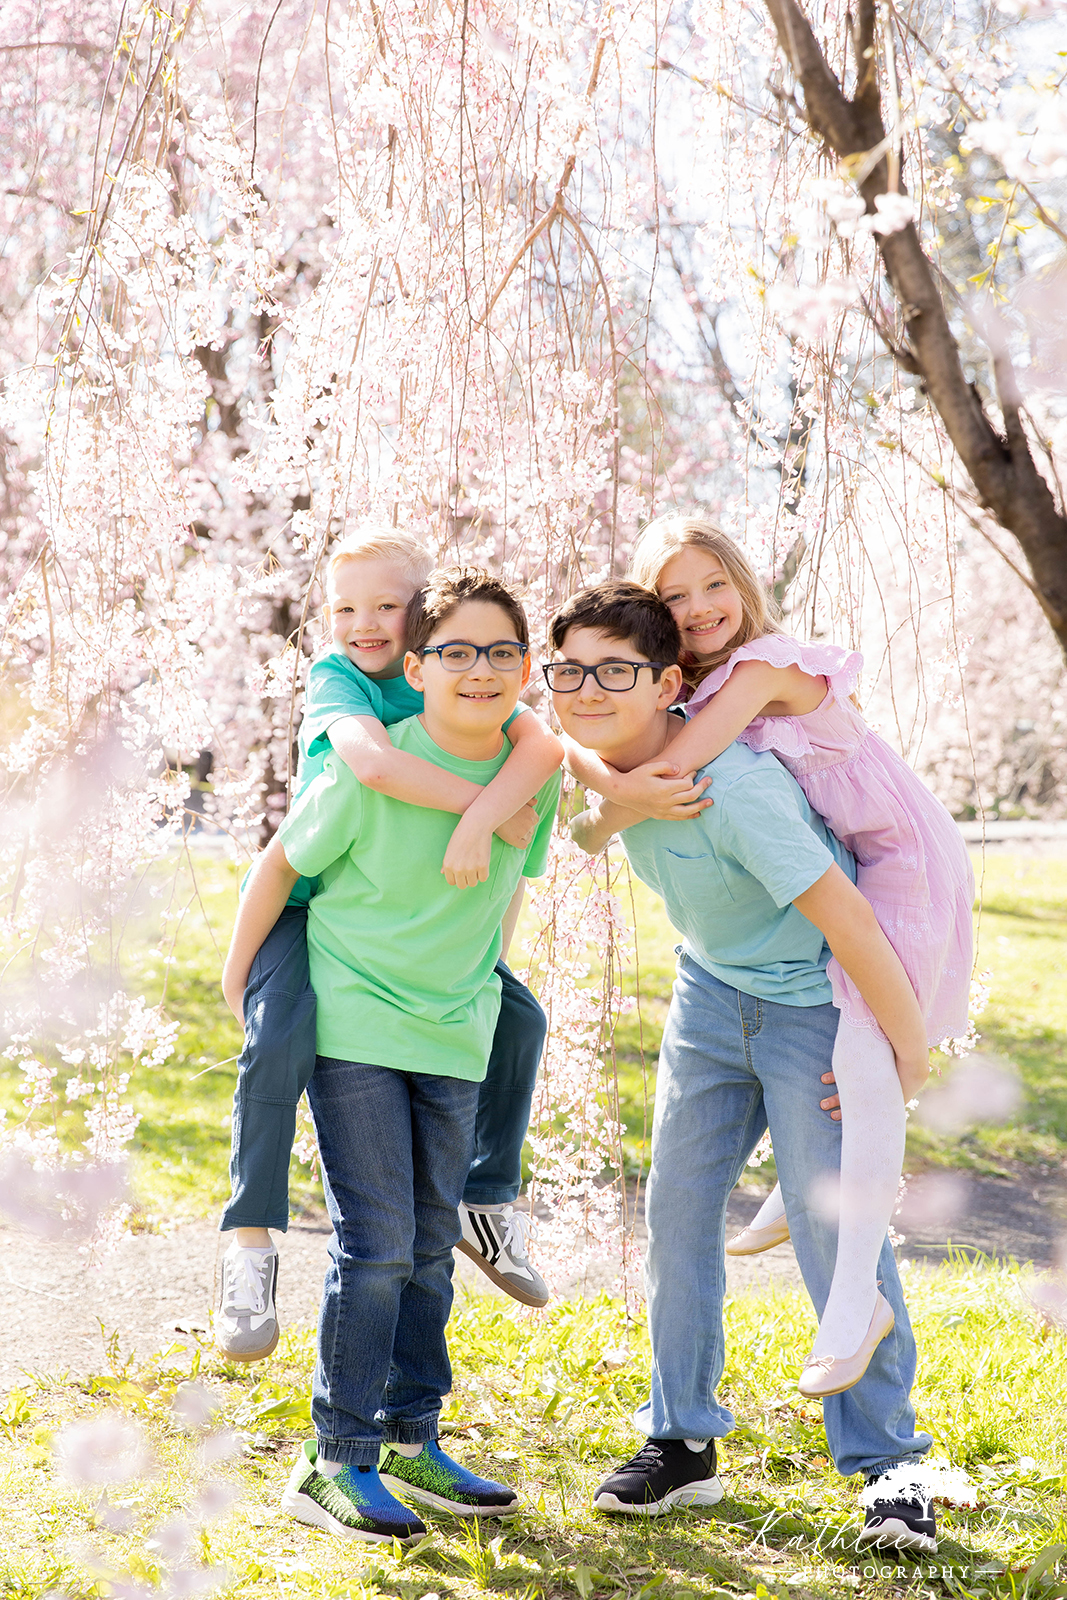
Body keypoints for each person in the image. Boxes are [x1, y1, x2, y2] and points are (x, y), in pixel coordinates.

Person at [549, 579, 938, 1555]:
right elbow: (573, 818)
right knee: (675, 1206)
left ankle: (890, 1462)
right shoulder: (597, 762)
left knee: (828, 1217)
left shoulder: (734, 785)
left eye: (613, 671)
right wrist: (602, 803)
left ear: (668, 682)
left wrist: (898, 1056)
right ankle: (678, 1439)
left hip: (814, 1001)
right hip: (707, 999)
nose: (587, 689)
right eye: (569, 670)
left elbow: (848, 923)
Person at [567, 514, 974, 1392]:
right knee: (724, 1184)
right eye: (674, 595)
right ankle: (686, 1418)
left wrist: (912, 1057)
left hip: (900, 857)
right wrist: (599, 789)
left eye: (714, 584)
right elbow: (605, 746)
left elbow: (671, 769)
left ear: (744, 586)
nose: (700, 606)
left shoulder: (762, 669)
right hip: (806, 907)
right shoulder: (689, 693)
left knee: (870, 1072)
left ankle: (856, 1316)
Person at [221, 568, 562, 1543]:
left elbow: (502, 904)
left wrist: (475, 996)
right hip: (357, 1030)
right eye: (455, 651)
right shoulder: (365, 767)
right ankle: (333, 1458)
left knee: (424, 1245)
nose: (479, 669)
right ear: (414, 668)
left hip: (451, 1035)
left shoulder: (523, 782)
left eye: (501, 651)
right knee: (374, 1246)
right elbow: (281, 863)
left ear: (525, 668)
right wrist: (238, 976)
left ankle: (412, 1434)